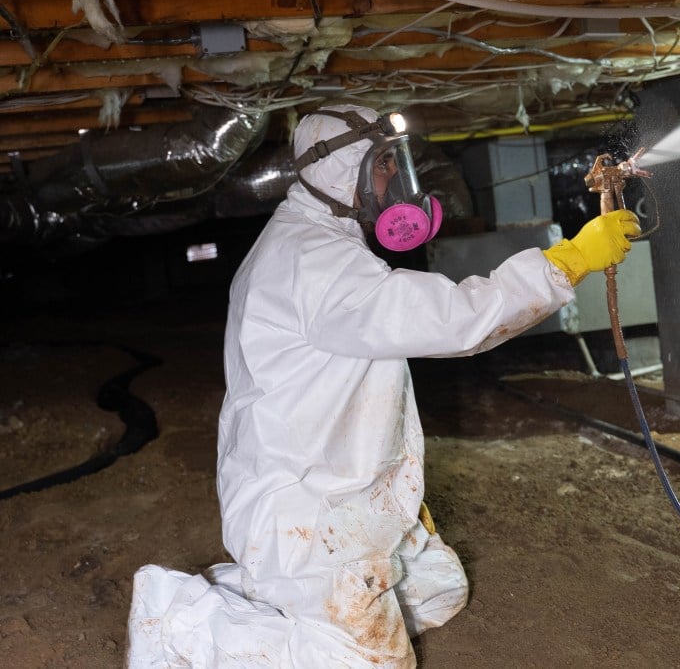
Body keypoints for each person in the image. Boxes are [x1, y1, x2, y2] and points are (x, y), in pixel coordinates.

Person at [125, 104, 641, 667]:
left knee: (440, 587)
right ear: (337, 174)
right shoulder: (313, 262)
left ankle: (273, 595)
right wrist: (565, 263)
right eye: (382, 167)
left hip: (333, 490)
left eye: (394, 166)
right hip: (304, 511)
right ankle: (181, 622)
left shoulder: (320, 240)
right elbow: (453, 319)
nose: (394, 182)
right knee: (372, 663)